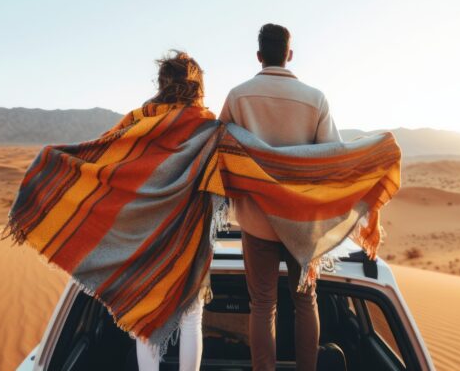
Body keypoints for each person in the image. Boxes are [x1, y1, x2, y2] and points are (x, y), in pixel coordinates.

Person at [219, 23, 341, 371]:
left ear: (259, 56)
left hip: (257, 221)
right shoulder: (315, 98)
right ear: (289, 54)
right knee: (306, 301)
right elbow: (330, 158)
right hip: (301, 223)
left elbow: (221, 151)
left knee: (262, 305)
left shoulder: (238, 96)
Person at [134, 50, 207, 371]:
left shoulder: (141, 120)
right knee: (191, 319)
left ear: (162, 82)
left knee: (145, 319)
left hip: (148, 231)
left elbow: (111, 162)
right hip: (191, 232)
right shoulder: (207, 125)